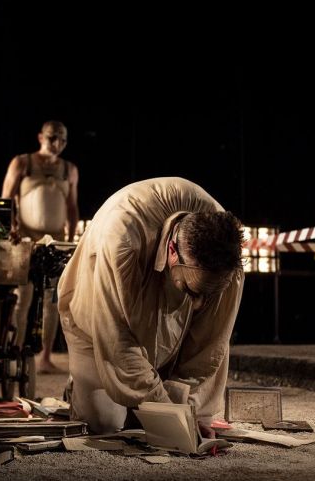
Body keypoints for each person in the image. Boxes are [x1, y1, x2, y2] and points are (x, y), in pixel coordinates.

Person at [57, 177, 244, 435]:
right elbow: (116, 341)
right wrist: (170, 414)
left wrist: (188, 410)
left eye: (208, 295)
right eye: (192, 291)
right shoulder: (121, 240)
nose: (199, 306)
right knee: (105, 426)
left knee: (180, 422)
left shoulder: (228, 260)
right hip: (96, 328)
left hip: (168, 333)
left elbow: (211, 342)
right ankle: (80, 384)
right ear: (172, 250)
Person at [1, 120, 79, 373]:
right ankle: (14, 350)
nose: (57, 144)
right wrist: (10, 229)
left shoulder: (69, 169)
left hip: (55, 241)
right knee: (22, 297)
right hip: (25, 239)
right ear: (40, 137)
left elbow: (72, 206)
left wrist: (72, 237)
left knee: (52, 300)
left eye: (63, 139)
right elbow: (5, 200)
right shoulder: (22, 162)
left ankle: (45, 357)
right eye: (52, 137)